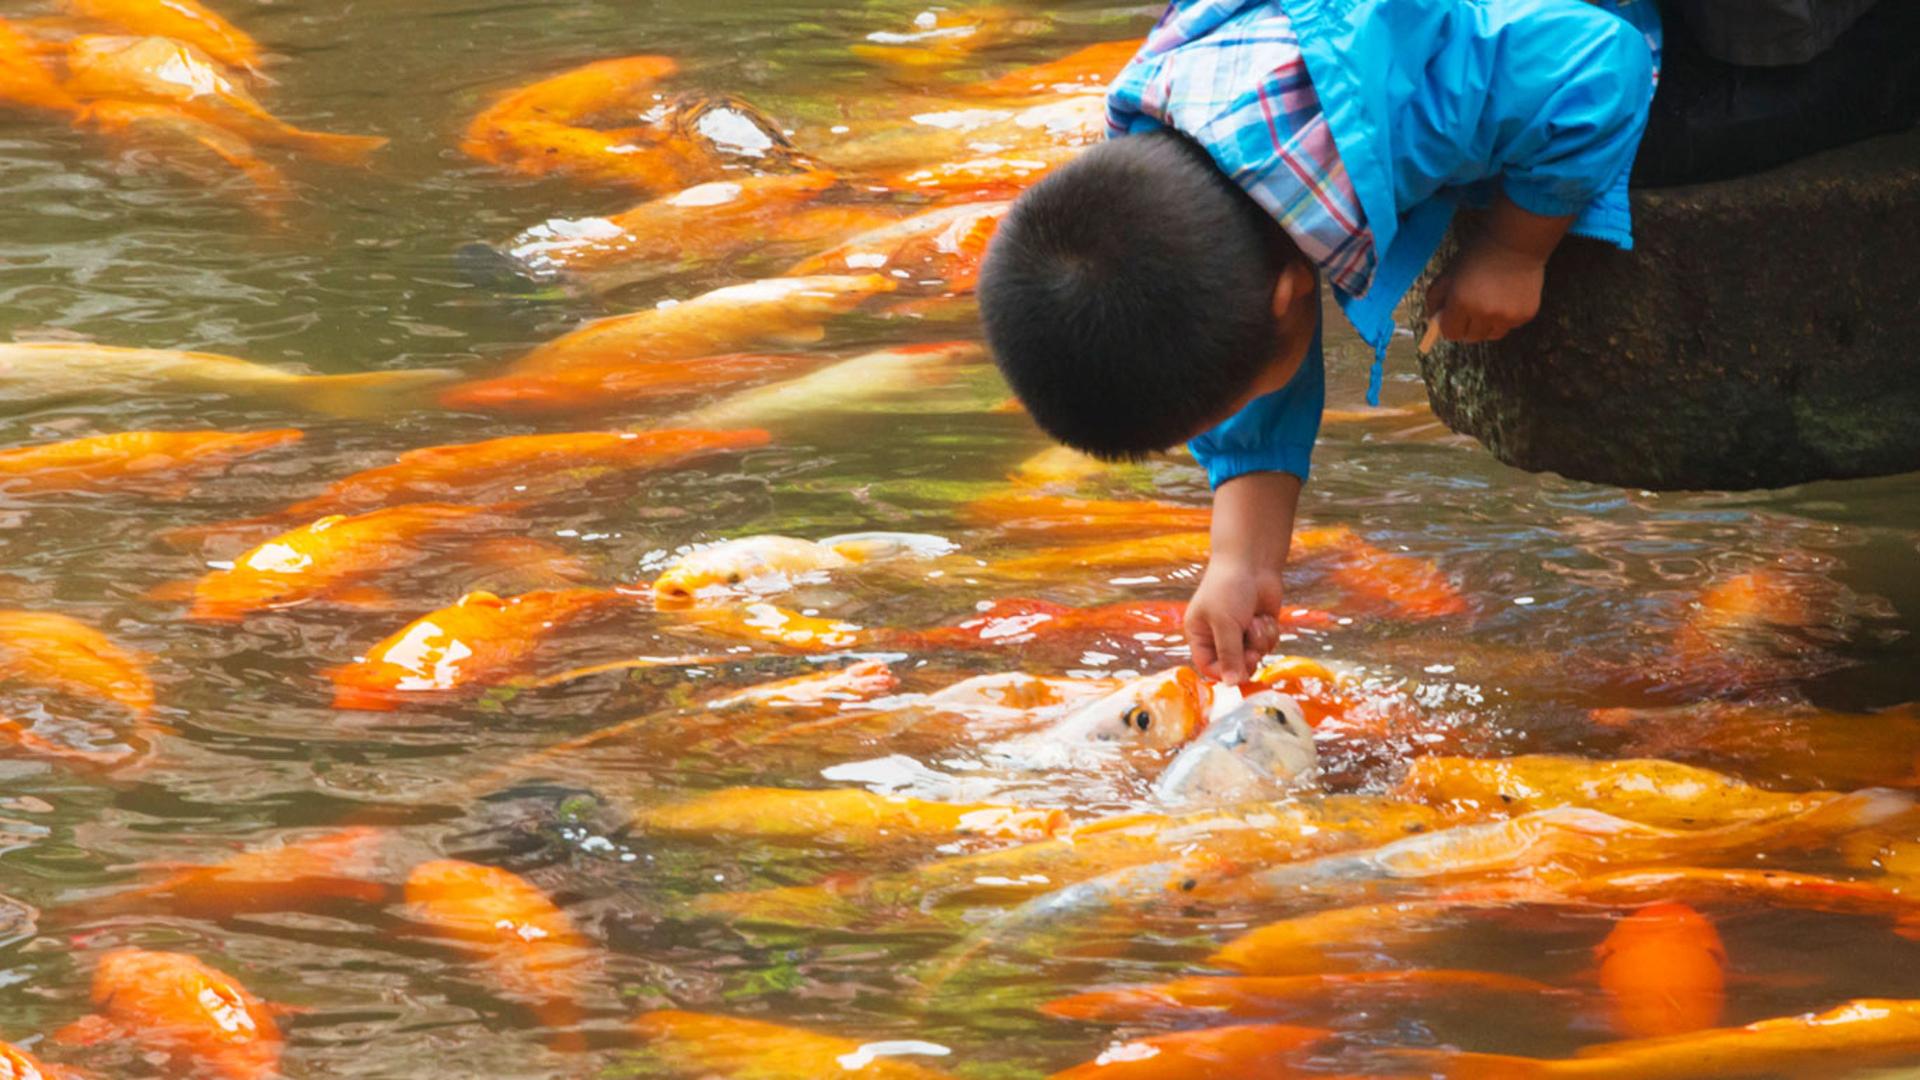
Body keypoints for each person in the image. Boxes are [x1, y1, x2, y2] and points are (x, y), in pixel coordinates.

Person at [977, 0, 1661, 684]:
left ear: (1285, 296)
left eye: (1223, 406)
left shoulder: (1414, 109)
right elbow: (1248, 328)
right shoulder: (1175, 187)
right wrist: (1242, 562)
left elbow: (1601, 61)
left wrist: (1514, 249)